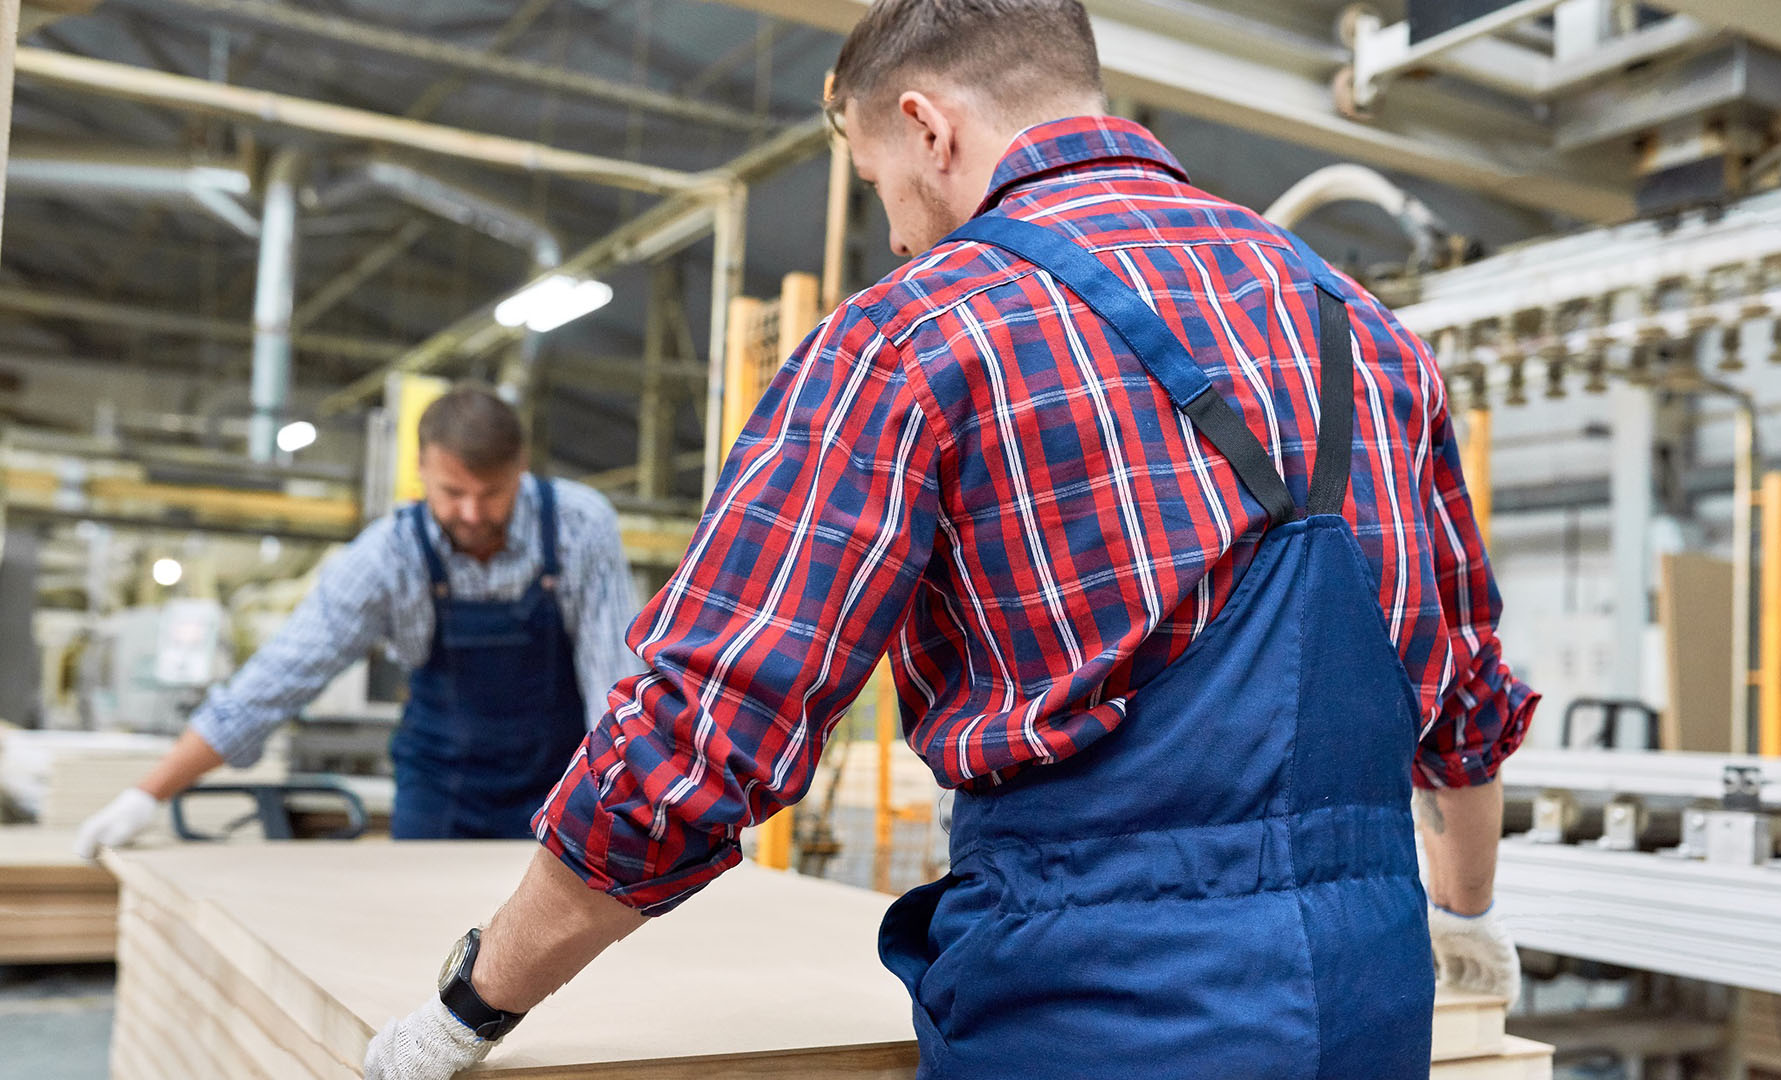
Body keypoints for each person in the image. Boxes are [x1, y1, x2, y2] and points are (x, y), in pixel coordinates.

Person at [362, 1, 1538, 1076]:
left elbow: (701, 737)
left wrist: (470, 1007)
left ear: (928, 128)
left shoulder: (916, 335)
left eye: (877, 184)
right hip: (1369, 1007)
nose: (895, 234)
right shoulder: (1364, 328)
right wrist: (1469, 920)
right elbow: (1463, 701)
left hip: (1096, 1018)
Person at [74, 383, 639, 851]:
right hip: (441, 794)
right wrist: (147, 795)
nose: (471, 513)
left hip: (561, 787)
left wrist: (617, 813)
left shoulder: (578, 527)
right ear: (420, 470)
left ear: (521, 466)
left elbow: (610, 689)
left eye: (491, 493)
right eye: (451, 492)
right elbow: (274, 682)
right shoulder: (387, 556)